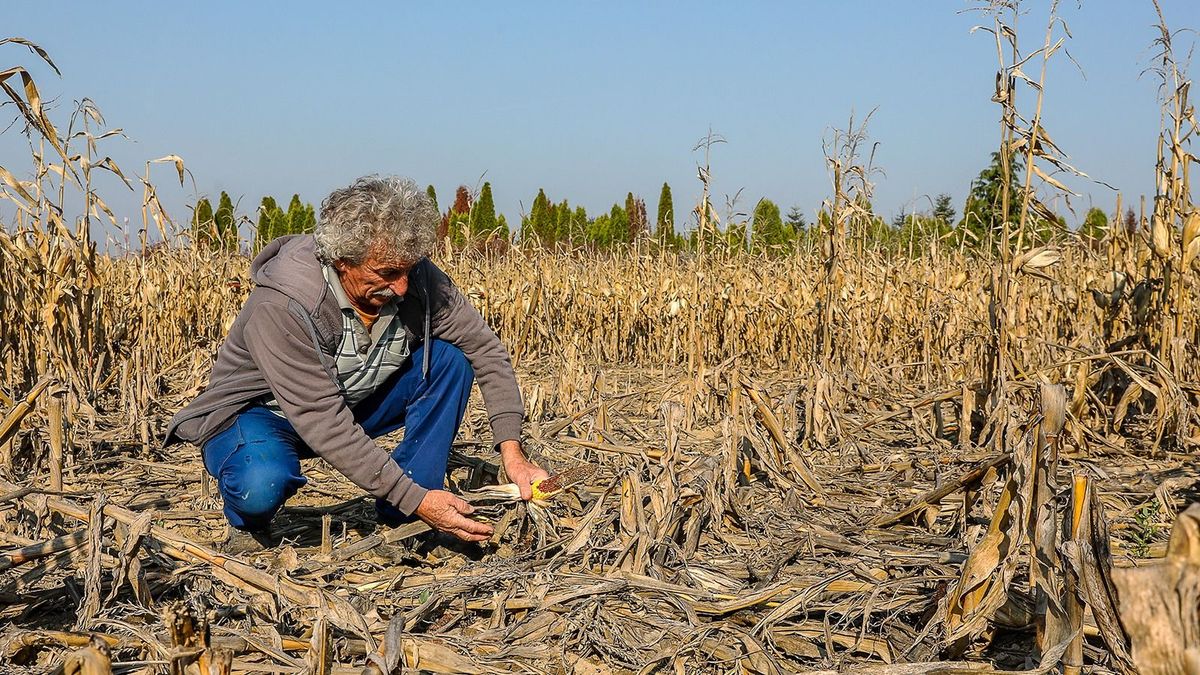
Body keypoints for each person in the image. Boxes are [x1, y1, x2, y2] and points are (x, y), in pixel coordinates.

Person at [165, 175, 547, 552]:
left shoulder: (417, 280)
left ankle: (402, 519)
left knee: (450, 360)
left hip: (350, 402)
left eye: (407, 270)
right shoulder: (284, 304)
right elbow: (322, 419)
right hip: (262, 414)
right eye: (386, 273)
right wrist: (414, 497)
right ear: (342, 260)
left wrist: (511, 453)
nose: (401, 286)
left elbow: (486, 349)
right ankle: (248, 522)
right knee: (260, 485)